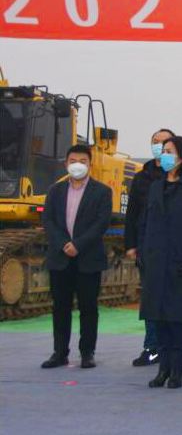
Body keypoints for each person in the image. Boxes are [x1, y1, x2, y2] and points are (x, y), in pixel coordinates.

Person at [138, 137, 182, 389]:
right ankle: (163, 369)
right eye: (163, 151)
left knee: (178, 320)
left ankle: (177, 371)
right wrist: (143, 254)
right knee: (158, 319)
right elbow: (146, 223)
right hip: (155, 263)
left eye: (169, 151)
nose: (164, 155)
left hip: (180, 264)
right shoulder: (156, 187)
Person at [40, 144, 112, 369]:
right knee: (60, 307)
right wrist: (64, 244)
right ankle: (60, 352)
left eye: (82, 161)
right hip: (60, 258)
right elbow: (48, 220)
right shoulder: (55, 191)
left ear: (90, 164)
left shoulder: (102, 192)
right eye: (72, 161)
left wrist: (78, 245)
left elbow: (101, 223)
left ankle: (87, 352)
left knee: (88, 308)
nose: (77, 165)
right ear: (66, 164)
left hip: (88, 259)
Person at [124, 128, 174, 367]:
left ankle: (175, 349)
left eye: (165, 143)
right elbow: (132, 212)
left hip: (174, 250)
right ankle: (151, 347)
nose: (160, 146)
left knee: (174, 301)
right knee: (150, 299)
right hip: (148, 248)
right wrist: (131, 244)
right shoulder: (142, 178)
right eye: (156, 142)